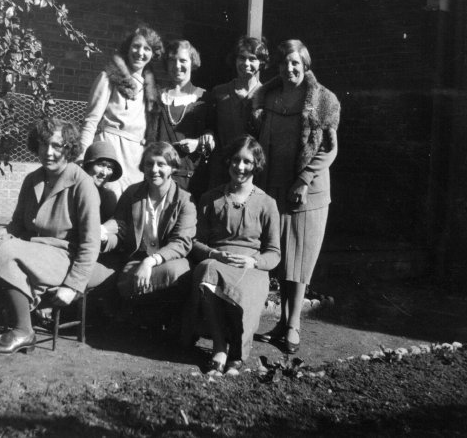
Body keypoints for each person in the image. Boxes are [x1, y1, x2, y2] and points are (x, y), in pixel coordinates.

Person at [0, 117, 100, 356]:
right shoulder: (32, 179)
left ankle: (24, 330)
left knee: (6, 251)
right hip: (32, 250)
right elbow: (17, 225)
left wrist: (73, 286)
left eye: (56, 146)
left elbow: (91, 243)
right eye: (43, 145)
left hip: (62, 257)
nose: (48, 152)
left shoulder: (83, 184)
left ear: (69, 148)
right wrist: (0, 234)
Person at [252, 40, 340, 354]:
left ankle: (293, 325)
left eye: (295, 64)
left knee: (300, 258)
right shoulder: (268, 97)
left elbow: (330, 149)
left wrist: (303, 180)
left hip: (308, 191)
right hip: (274, 186)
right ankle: (281, 323)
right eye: (284, 63)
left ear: (305, 65)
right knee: (283, 257)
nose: (289, 69)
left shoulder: (323, 100)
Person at [186, 136, 280, 376]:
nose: (240, 167)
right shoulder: (210, 198)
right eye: (236, 160)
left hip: (251, 268)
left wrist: (254, 261)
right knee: (206, 270)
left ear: (256, 165)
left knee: (243, 292)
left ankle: (237, 354)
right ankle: (219, 347)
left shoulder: (267, 203)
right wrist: (214, 253)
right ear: (228, 161)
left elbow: (274, 253)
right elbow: (194, 242)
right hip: (217, 261)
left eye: (247, 161)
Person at [79, 26, 163, 196]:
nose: (140, 53)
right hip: (110, 152)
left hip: (135, 158)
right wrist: (81, 157)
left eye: (147, 49)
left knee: (131, 204)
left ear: (153, 54)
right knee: (110, 200)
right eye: (136, 46)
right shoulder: (109, 78)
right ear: (128, 47)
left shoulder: (152, 89)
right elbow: (91, 121)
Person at [105, 141, 196, 298]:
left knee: (176, 271)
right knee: (127, 278)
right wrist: (104, 236)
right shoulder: (132, 193)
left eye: (161, 164)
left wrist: (150, 262)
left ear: (172, 168)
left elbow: (181, 242)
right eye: (149, 164)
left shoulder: (185, 200)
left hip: (168, 261)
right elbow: (119, 230)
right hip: (136, 262)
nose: (154, 170)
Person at [150, 39, 214, 202]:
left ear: (192, 63)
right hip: (160, 178)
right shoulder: (158, 97)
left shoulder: (204, 98)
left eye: (183, 60)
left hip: (191, 181)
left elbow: (214, 137)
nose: (177, 65)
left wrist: (198, 143)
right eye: (172, 60)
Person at [205, 37, 269, 188]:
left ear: (261, 62)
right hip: (222, 170)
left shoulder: (267, 96)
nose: (246, 63)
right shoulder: (219, 93)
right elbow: (209, 125)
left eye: (252, 59)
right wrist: (208, 133)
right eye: (241, 58)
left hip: (251, 172)